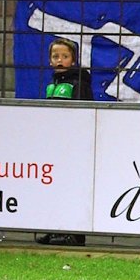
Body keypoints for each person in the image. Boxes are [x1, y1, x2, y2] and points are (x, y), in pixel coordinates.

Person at [35, 39, 92, 247]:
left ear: (73, 60)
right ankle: (54, 228)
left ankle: (74, 232)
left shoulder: (78, 82)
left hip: (72, 142)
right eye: (55, 56)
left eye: (65, 56)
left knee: (73, 185)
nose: (60, 60)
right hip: (56, 142)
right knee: (55, 186)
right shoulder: (52, 84)